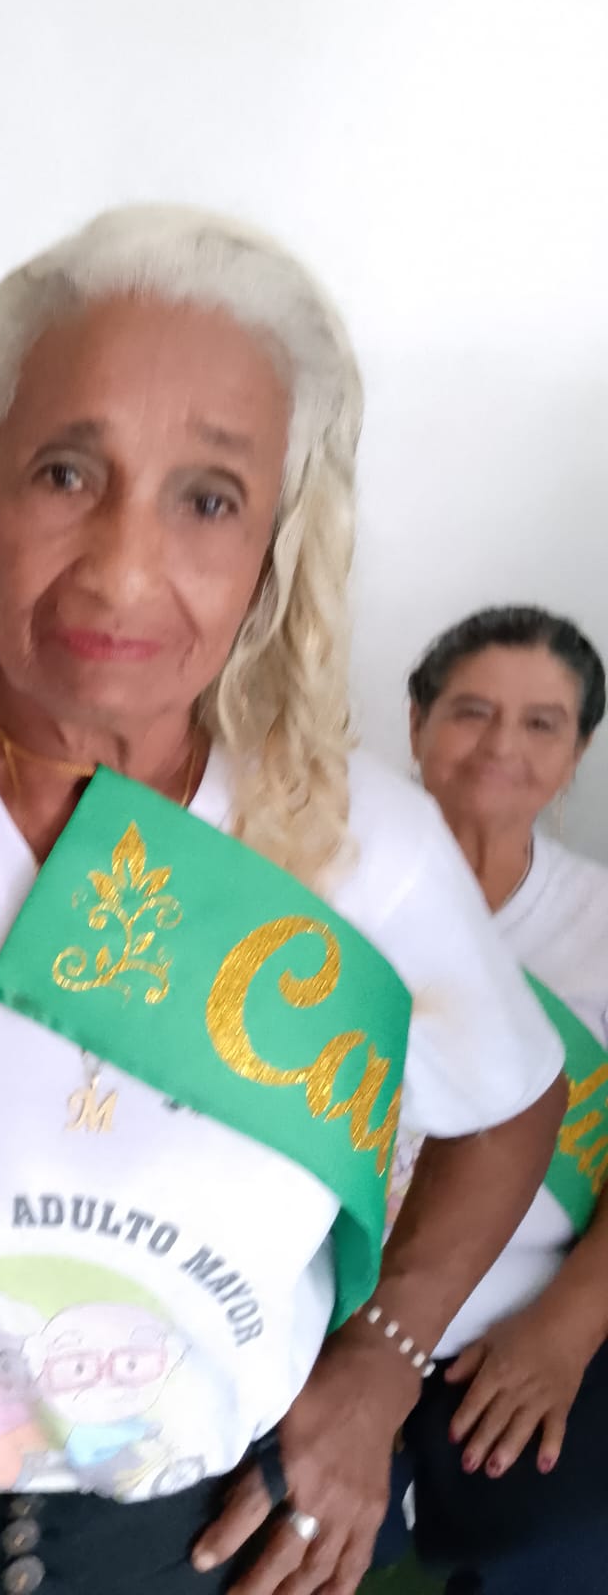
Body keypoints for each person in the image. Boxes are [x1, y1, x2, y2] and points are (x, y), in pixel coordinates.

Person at [0, 206, 568, 1595]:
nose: (124, 571)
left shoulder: (360, 848)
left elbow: (510, 1107)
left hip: (217, 1544)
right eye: (67, 473)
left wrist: (382, 1367)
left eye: (209, 498)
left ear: (275, 536)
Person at [382, 606, 608, 1593]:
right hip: (318, 1320)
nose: (501, 745)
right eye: (472, 710)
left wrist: (568, 1325)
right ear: (417, 722)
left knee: (562, 1542)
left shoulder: (598, 922)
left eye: (541, 723)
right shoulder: (328, 876)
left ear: (578, 752)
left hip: (525, 1324)